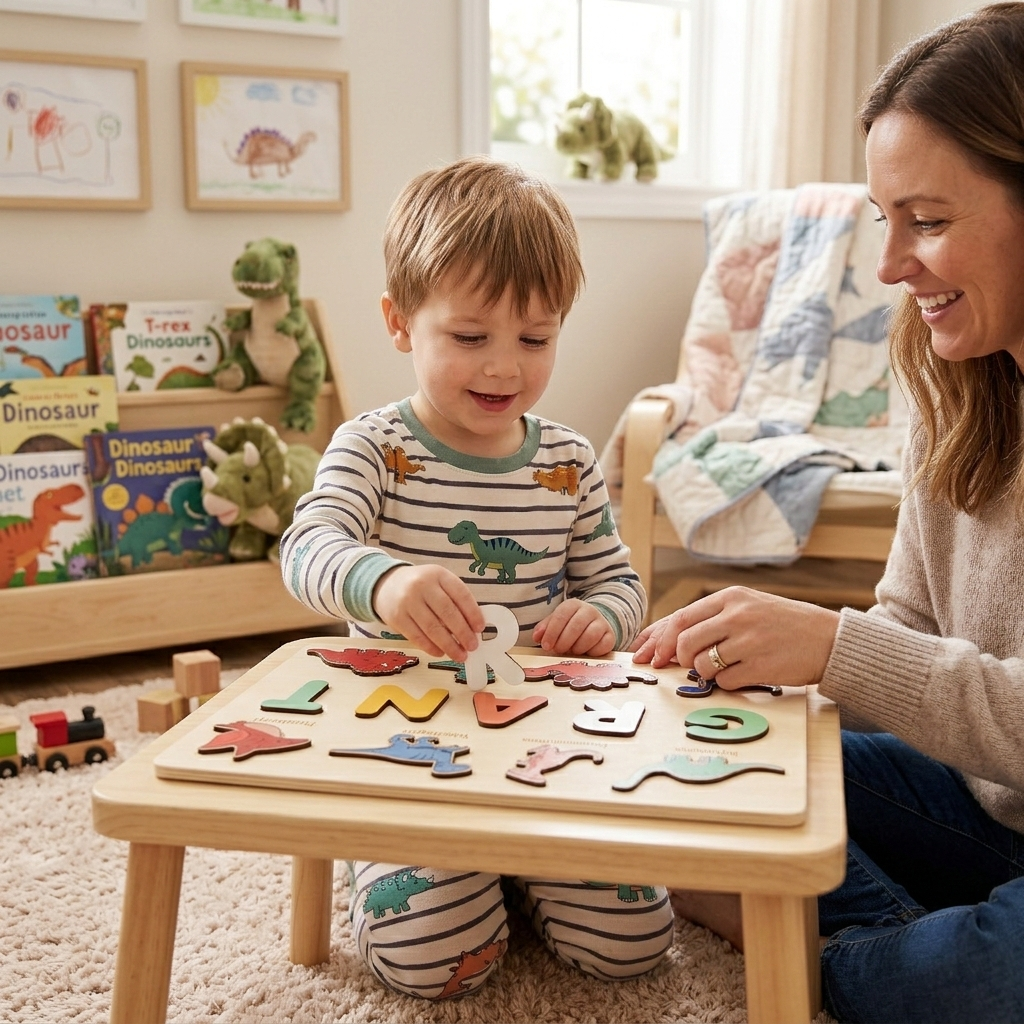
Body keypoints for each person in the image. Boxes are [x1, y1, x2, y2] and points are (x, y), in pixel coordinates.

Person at [632, 5, 1024, 1022]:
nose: (889, 264)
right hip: (986, 801)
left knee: (991, 973)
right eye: (884, 217)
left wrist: (831, 646)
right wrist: (754, 675)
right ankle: (882, 951)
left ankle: (812, 952)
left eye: (925, 221)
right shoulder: (959, 384)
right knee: (709, 762)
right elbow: (910, 627)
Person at [280, 157, 673, 1000]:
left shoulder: (568, 462)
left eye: (535, 340)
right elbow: (306, 547)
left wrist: (604, 618)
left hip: (547, 750)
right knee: (434, 960)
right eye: (469, 338)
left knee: (634, 941)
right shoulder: (373, 447)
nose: (503, 368)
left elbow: (621, 583)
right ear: (399, 322)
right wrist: (382, 582)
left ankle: (519, 865)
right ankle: (389, 858)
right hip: (407, 752)